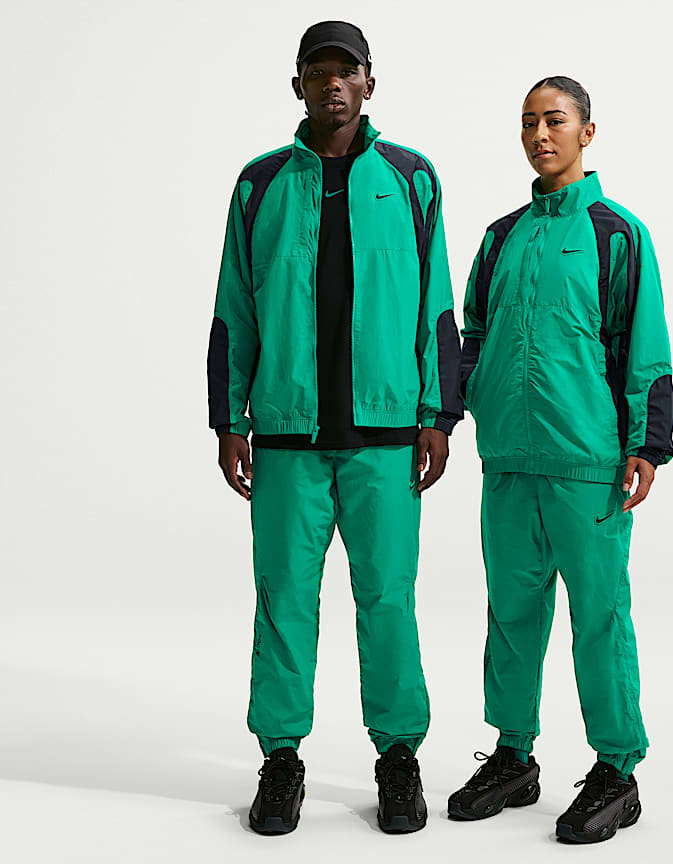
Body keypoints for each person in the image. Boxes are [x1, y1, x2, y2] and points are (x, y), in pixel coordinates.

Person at [206, 20, 462, 836]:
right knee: (284, 600)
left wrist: (438, 414)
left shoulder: (413, 179)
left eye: (346, 72)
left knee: (387, 599)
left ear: (369, 84)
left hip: (385, 437)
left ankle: (399, 757)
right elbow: (235, 307)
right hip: (287, 437)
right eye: (317, 73)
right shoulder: (260, 185)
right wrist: (228, 418)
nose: (332, 85)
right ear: (299, 87)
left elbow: (436, 307)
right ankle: (281, 759)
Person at [448, 76, 673, 844]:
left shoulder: (617, 232)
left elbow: (644, 342)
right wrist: (449, 414)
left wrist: (647, 442)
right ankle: (513, 755)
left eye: (554, 120)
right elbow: (473, 336)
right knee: (511, 612)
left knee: (599, 617)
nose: (540, 135)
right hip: (509, 457)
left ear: (587, 132)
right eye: (528, 122)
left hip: (588, 461)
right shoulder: (500, 236)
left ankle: (617, 769)